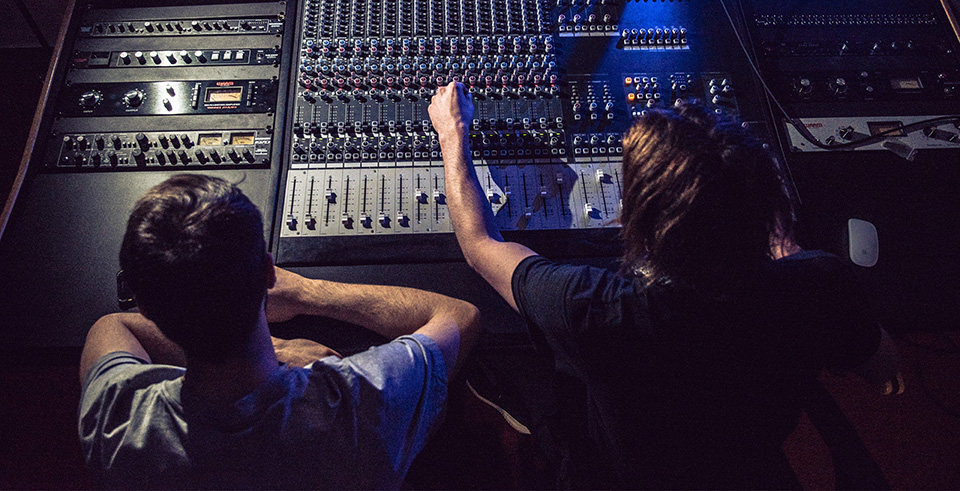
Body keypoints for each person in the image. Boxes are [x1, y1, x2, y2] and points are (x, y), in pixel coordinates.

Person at [428, 82, 902, 489]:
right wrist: (787, 250)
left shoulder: (595, 309)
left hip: (620, 475)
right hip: (746, 469)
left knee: (506, 363)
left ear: (640, 223)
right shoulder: (819, 285)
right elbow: (886, 376)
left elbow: (479, 243)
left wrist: (454, 135)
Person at [78, 174, 480, 489]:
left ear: (146, 306)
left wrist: (275, 345)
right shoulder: (361, 403)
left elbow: (112, 325)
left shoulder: (114, 419)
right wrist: (308, 293)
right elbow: (458, 316)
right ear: (269, 272)